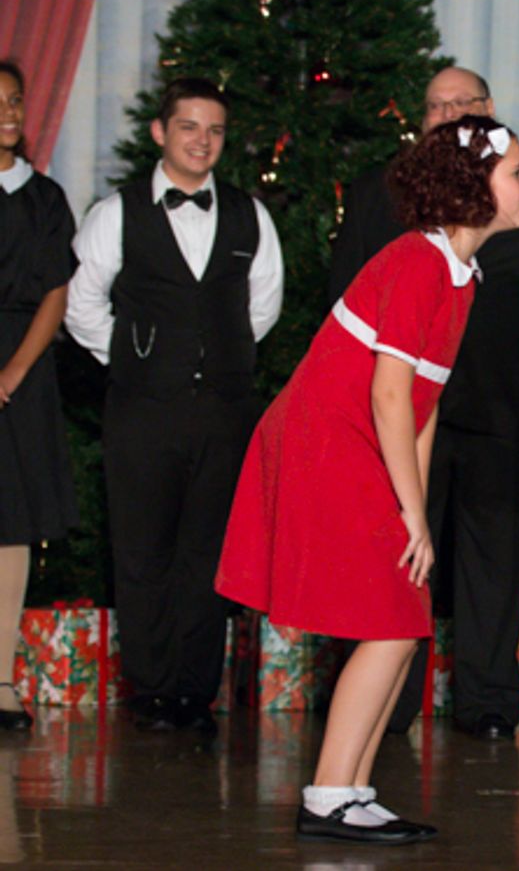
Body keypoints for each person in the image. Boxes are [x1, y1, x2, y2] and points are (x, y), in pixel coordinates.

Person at [217, 116, 519, 843]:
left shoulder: (462, 277)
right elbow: (388, 393)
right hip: (324, 443)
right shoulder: (417, 261)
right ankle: (328, 794)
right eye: (515, 172)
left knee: (407, 613)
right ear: (471, 188)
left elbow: (421, 408)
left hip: (367, 444)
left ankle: (352, 788)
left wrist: (412, 508)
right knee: (390, 624)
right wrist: (412, 516)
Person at [328, 66, 519, 738]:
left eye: (463, 104)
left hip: (505, 411)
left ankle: (488, 700)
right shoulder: (378, 198)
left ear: (490, 111)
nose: (448, 115)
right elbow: (351, 306)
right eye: (435, 105)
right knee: (399, 559)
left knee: (495, 562)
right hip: (404, 417)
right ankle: (388, 708)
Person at [66, 78, 284, 734]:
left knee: (207, 553)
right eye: (189, 127)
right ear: (161, 133)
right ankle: (152, 688)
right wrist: (137, 356)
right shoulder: (117, 212)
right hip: (142, 411)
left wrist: (219, 356)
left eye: (214, 130)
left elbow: (263, 302)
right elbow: (80, 304)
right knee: (142, 551)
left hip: (223, 410)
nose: (202, 141)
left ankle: (195, 690)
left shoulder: (250, 214)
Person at [0, 61, 79, 732]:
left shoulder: (45, 198)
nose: (8, 110)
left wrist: (13, 372)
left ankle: (0, 682)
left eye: (15, 99)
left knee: (12, 523)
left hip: (20, 372)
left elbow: (57, 291)